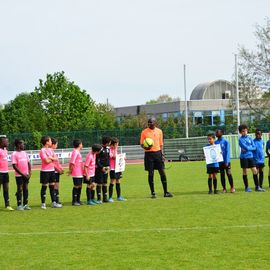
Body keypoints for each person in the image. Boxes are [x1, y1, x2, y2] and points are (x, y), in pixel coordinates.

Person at [140, 117, 173, 198]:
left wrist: (162, 154)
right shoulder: (144, 132)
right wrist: (145, 147)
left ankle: (166, 192)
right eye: (148, 123)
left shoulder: (159, 131)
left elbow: (161, 144)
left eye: (151, 122)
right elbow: (141, 144)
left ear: (155, 122)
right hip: (149, 155)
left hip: (158, 153)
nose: (150, 124)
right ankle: (153, 193)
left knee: (162, 172)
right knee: (151, 173)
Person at [238, 124, 264, 192]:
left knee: (255, 171)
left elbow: (254, 147)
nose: (245, 132)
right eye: (243, 131)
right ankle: (246, 187)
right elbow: (246, 147)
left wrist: (248, 148)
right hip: (244, 157)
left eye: (246, 131)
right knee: (245, 172)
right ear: (240, 132)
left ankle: (257, 187)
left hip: (251, 156)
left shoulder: (249, 138)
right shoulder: (240, 140)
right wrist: (250, 148)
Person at [40, 135, 62, 209]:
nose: (51, 142)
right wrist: (52, 159)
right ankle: (43, 203)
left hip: (52, 170)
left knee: (52, 186)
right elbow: (46, 161)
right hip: (45, 171)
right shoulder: (42, 150)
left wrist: (50, 158)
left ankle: (54, 203)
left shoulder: (51, 150)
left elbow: (56, 158)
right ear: (46, 142)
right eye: (49, 141)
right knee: (44, 187)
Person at [11, 139, 31, 210]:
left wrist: (30, 172)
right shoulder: (14, 154)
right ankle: (19, 205)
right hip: (19, 175)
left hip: (26, 175)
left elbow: (28, 163)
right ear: (19, 145)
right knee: (19, 189)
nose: (23, 145)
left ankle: (25, 204)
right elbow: (14, 166)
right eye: (22, 144)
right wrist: (23, 174)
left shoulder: (25, 153)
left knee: (26, 188)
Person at [215, 128, 235, 193]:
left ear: (222, 133)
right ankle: (224, 188)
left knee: (229, 174)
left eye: (218, 132)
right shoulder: (215, 142)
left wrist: (226, 161)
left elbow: (227, 152)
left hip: (226, 162)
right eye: (216, 132)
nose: (216, 133)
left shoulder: (226, 142)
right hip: (220, 162)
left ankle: (232, 187)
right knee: (222, 175)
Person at [108, 137, 126, 202]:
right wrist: (119, 156)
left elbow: (118, 158)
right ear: (112, 144)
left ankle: (119, 196)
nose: (117, 145)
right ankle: (110, 197)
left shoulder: (116, 149)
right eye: (116, 144)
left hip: (117, 168)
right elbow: (113, 156)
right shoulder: (110, 150)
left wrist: (122, 158)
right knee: (112, 181)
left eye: (117, 144)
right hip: (112, 168)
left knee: (118, 181)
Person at [95, 136, 111, 203]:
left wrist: (108, 166)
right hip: (100, 169)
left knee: (105, 183)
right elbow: (97, 160)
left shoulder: (108, 149)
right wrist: (102, 167)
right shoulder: (100, 149)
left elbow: (108, 158)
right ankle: (99, 199)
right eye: (110, 142)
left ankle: (105, 198)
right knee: (99, 183)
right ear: (107, 142)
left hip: (106, 169)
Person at [0, 136, 14, 211]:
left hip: (6, 172)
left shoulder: (5, 150)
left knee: (6, 189)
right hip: (0, 173)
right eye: (6, 141)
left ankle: (7, 205)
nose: (7, 143)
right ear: (1, 143)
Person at [69, 139, 84, 206]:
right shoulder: (75, 152)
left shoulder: (78, 152)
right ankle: (74, 201)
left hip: (80, 172)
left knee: (80, 186)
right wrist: (70, 171)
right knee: (76, 186)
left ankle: (78, 200)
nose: (82, 145)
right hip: (76, 172)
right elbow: (72, 162)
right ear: (79, 145)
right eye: (81, 144)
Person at [51, 138, 64, 205]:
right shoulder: (50, 152)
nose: (57, 146)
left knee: (57, 186)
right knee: (54, 186)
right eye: (56, 145)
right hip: (53, 172)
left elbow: (57, 163)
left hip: (57, 172)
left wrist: (61, 168)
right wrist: (58, 169)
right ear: (52, 144)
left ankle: (57, 200)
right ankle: (54, 200)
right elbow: (52, 164)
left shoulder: (53, 152)